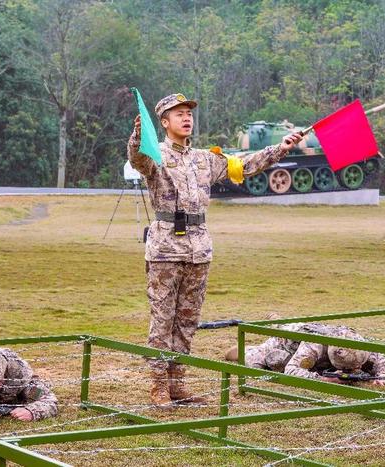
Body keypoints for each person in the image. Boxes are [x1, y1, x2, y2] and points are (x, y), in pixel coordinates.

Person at [128, 93, 303, 406]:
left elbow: (244, 166)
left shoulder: (204, 159)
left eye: (189, 113)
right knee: (162, 321)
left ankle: (178, 383)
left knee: (187, 321)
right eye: (178, 113)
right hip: (166, 250)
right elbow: (137, 159)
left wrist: (281, 148)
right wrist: (138, 137)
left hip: (198, 251)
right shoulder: (157, 155)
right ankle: (159, 386)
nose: (186, 118)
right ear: (165, 122)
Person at [225, 322, 385, 387]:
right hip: (286, 342)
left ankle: (277, 320)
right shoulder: (314, 345)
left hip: (319, 359)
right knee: (258, 363)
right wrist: (322, 379)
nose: (354, 371)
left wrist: (382, 377)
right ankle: (247, 349)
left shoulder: (356, 343)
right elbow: (291, 370)